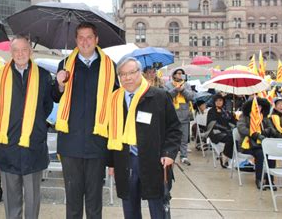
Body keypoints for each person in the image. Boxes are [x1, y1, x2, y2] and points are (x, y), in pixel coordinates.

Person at [52, 22, 118, 219]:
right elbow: (55, 97)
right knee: (72, 201)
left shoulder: (109, 66)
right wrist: (60, 84)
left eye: (89, 37)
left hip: (97, 143)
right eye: (81, 37)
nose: (85, 41)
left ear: (97, 40)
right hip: (70, 143)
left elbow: (115, 104)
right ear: (75, 40)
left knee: (94, 200)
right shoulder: (64, 65)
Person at [107, 56, 181, 219]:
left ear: (140, 72)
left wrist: (169, 154)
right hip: (125, 160)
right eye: (123, 74)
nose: (127, 78)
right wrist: (111, 163)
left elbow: (174, 129)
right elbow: (109, 133)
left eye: (132, 72)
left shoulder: (159, 96)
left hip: (154, 161)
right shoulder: (114, 100)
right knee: (130, 208)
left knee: (158, 209)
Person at [0, 35, 53, 219]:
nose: (20, 54)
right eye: (16, 50)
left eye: (24, 49)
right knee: (11, 199)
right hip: (7, 146)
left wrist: (37, 128)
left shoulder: (42, 75)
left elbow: (47, 105)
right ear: (10, 53)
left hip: (33, 146)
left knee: (33, 198)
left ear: (31, 51)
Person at [237, 97, 276, 190]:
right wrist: (255, 134)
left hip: (263, 145)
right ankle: (259, 179)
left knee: (270, 154)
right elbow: (241, 129)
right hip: (248, 145)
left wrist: (266, 131)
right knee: (260, 154)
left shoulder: (265, 118)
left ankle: (269, 180)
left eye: (259, 106)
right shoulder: (244, 117)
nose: (257, 108)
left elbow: (273, 131)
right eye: (255, 106)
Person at [165, 68, 194, 166]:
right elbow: (166, 96)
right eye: (178, 73)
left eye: (182, 74)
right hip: (172, 116)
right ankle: (170, 156)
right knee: (171, 137)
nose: (180, 75)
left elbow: (191, 96)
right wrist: (176, 90)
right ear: (173, 75)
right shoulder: (168, 85)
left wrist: (183, 90)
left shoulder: (186, 85)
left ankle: (184, 156)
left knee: (184, 138)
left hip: (184, 115)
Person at [206, 94, 236, 168]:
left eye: (220, 100)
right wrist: (226, 129)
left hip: (226, 131)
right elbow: (213, 124)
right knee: (230, 137)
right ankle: (224, 155)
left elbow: (233, 121)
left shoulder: (225, 111)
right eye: (217, 101)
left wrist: (235, 118)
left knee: (235, 136)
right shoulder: (211, 111)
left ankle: (226, 155)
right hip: (215, 132)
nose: (219, 102)